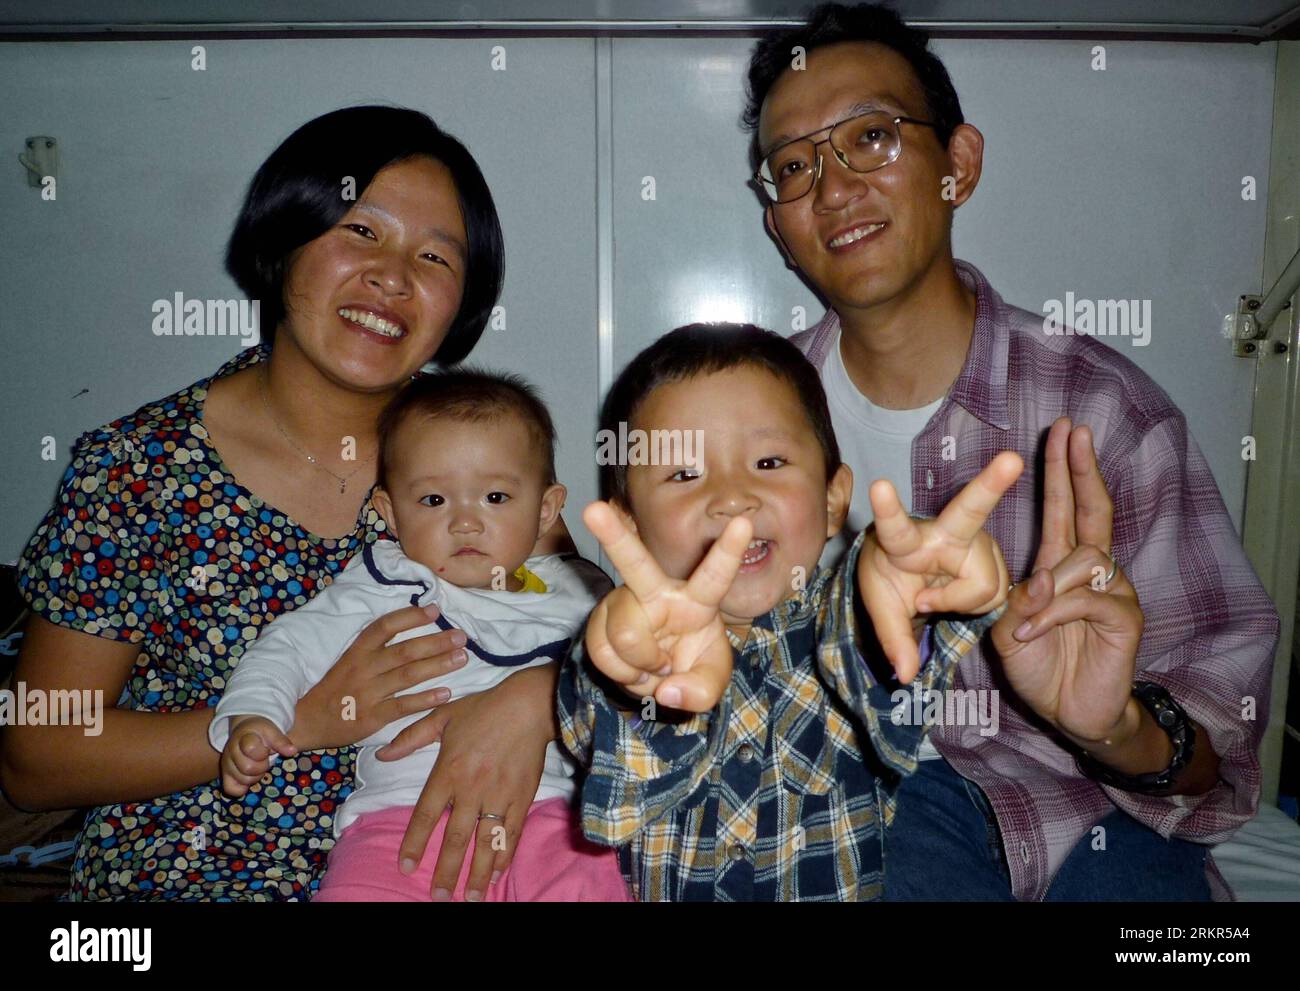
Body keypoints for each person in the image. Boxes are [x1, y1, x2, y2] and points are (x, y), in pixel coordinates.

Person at [743, 3, 1280, 899]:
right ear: (776, 224)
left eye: (871, 138)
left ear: (959, 166)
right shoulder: (743, 430)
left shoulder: (1102, 414)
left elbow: (1217, 758)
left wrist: (1112, 728)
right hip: (872, 808)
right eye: (794, 166)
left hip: (1100, 809)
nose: (832, 190)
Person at [1, 106, 568, 901]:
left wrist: (539, 695)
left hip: (445, 874)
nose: (393, 277)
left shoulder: (486, 450)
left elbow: (593, 626)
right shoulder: (137, 468)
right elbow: (38, 755)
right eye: (362, 232)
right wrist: (301, 719)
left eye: (435, 256)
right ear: (285, 236)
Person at [558, 323, 1026, 900]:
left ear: (833, 500)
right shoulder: (623, 638)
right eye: (683, 474)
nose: (732, 497)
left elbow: (878, 671)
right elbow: (594, 731)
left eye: (769, 461)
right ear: (628, 526)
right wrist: (634, 675)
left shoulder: (840, 624)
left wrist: (910, 597)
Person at [211, 369, 630, 901]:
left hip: (554, 816)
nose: (465, 523)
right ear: (389, 512)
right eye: (434, 501)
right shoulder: (380, 584)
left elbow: (632, 690)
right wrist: (255, 715)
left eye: (496, 497)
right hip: (398, 822)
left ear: (546, 508)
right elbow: (286, 648)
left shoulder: (579, 592)